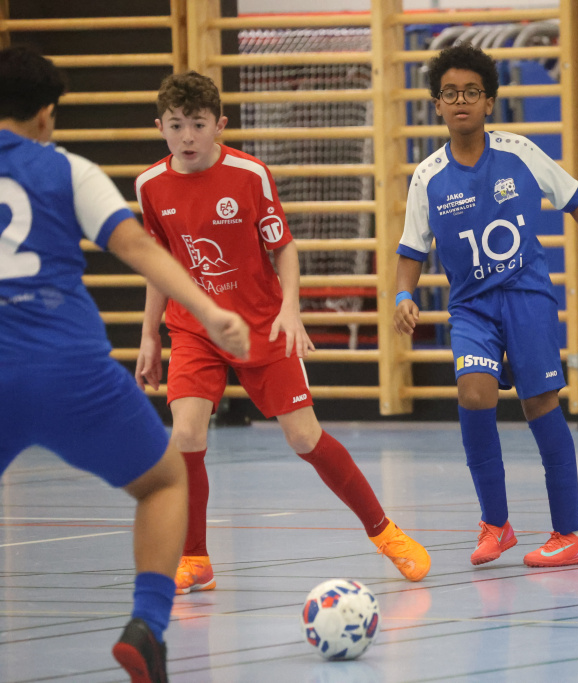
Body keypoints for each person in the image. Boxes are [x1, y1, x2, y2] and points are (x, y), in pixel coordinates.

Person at [0, 47, 251, 682]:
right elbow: (136, 244)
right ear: (47, 114)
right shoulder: (67, 169)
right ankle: (147, 625)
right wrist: (208, 310)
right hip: (71, 369)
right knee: (165, 480)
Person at [134, 71, 430, 591]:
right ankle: (195, 557)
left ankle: (386, 533)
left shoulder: (250, 175)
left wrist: (290, 309)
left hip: (261, 323)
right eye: (176, 125)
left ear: (219, 125)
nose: (187, 137)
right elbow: (160, 262)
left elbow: (283, 247)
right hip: (196, 327)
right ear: (160, 127)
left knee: (304, 436)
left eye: (198, 124)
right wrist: (150, 335)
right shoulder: (150, 186)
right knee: (186, 434)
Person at [393, 45, 578, 568]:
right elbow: (412, 249)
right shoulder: (427, 177)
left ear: (489, 102)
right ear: (437, 104)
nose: (461, 100)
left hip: (526, 296)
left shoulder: (520, 152)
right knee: (473, 393)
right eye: (450, 92)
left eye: (472, 92)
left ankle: (571, 533)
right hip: (471, 308)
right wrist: (403, 295)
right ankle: (496, 524)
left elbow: (576, 198)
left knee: (539, 404)